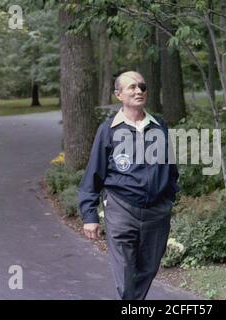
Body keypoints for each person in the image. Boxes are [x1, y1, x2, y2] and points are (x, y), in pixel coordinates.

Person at [78, 71, 179, 300]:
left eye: (142, 86)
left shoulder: (159, 125)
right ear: (118, 95)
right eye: (131, 87)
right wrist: (90, 215)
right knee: (125, 274)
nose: (138, 91)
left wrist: (168, 197)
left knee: (148, 269)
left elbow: (170, 167)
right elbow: (93, 173)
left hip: (157, 212)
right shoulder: (109, 130)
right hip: (122, 209)